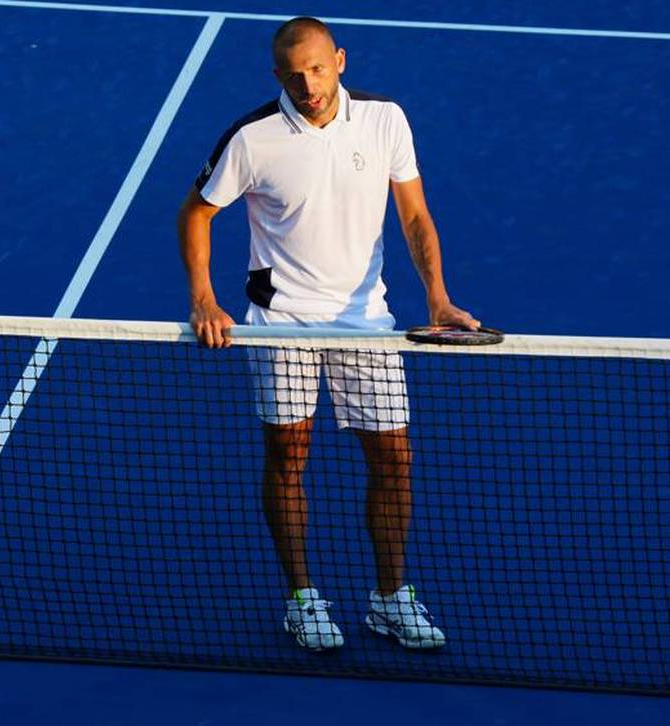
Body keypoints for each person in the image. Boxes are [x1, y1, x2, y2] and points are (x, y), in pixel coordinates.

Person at [177, 17, 479, 651]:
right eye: (292, 73)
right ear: (276, 74)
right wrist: (203, 298)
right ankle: (303, 597)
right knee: (289, 456)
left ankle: (390, 597)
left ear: (339, 60)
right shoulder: (252, 137)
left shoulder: (385, 120)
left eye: (316, 69)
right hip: (280, 324)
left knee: (394, 460)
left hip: (366, 320)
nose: (306, 84)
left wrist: (438, 297)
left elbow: (414, 212)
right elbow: (197, 211)